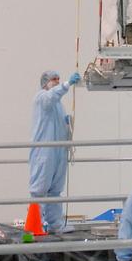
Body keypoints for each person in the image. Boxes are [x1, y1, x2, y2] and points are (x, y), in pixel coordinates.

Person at [29, 69, 81, 233]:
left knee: (55, 189)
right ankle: (37, 225)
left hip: (58, 151)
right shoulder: (41, 97)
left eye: (59, 79)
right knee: (40, 189)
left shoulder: (58, 104)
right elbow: (51, 96)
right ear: (45, 82)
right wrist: (68, 84)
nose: (57, 82)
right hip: (44, 151)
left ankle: (55, 224)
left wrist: (67, 125)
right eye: (54, 79)